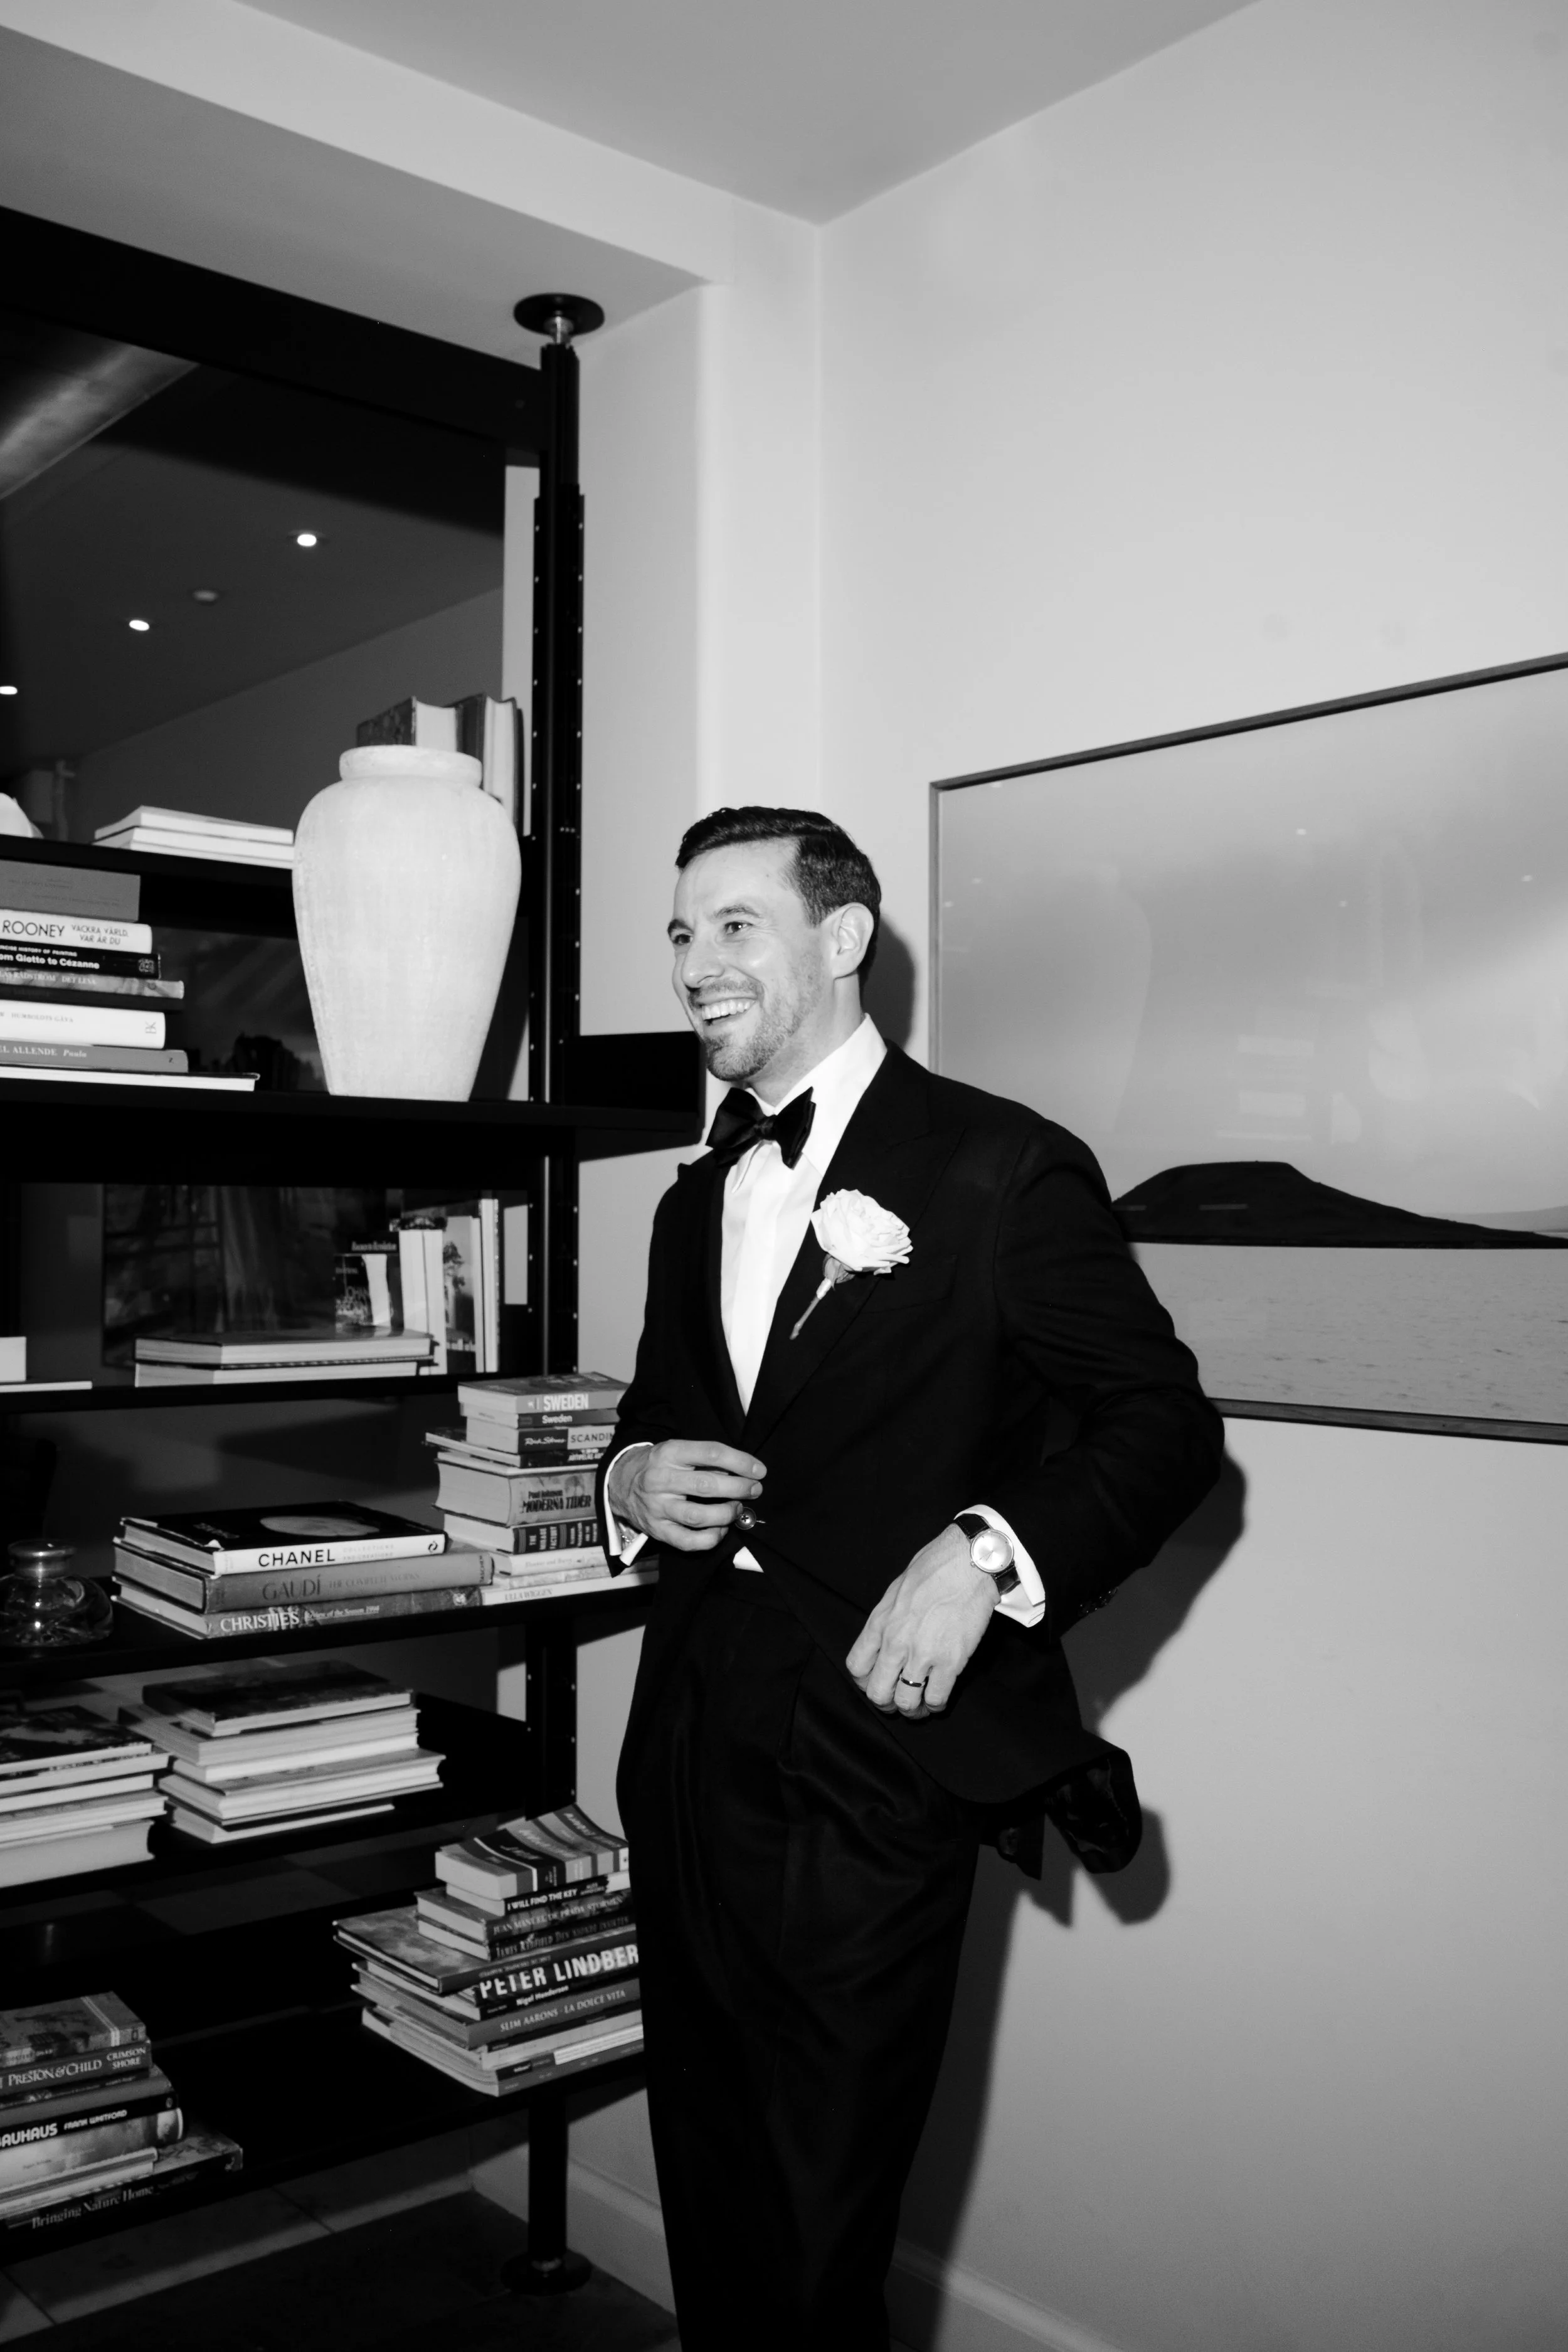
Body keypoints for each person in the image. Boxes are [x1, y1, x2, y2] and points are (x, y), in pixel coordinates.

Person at [598, 806, 1222, 2351]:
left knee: (818, 2217)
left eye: (733, 925)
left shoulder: (1001, 1166)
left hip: (873, 1749)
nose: (694, 964)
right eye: (681, 932)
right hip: (682, 1733)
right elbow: (649, 1415)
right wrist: (628, 1482)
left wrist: (983, 1556)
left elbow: (1162, 1430)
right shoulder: (695, 1191)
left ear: (842, 941)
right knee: (712, 2171)